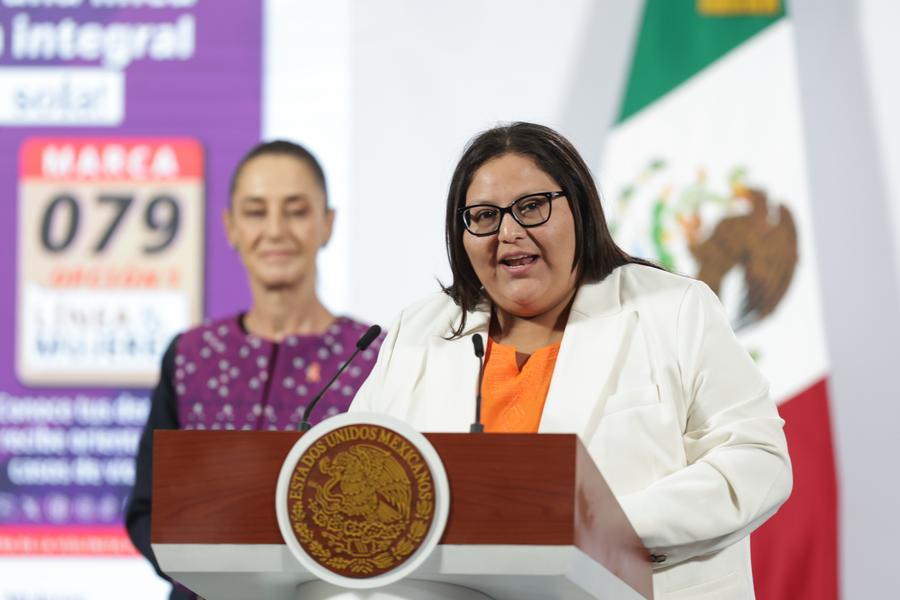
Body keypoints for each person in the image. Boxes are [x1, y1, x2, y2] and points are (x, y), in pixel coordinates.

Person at [351, 123, 791, 599]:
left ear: (579, 208)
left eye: (532, 207)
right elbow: (354, 476)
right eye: (484, 216)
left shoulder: (674, 308)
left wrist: (601, 526)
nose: (508, 233)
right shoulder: (416, 332)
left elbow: (756, 460)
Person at [126, 140, 383, 600]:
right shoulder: (189, 356)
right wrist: (213, 575)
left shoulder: (375, 357)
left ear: (327, 224)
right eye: (256, 212)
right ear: (231, 226)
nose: (276, 230)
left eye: (296, 211)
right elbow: (147, 509)